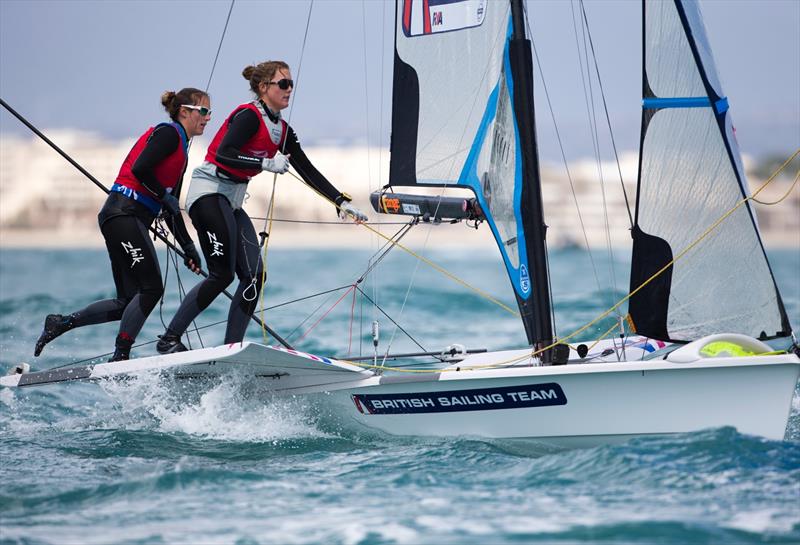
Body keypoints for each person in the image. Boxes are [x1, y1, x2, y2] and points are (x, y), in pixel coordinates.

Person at [155, 61, 368, 353]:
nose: (289, 89)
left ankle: (232, 349)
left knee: (255, 275)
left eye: (291, 84)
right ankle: (169, 339)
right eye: (283, 84)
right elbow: (225, 154)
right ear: (263, 87)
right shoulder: (248, 117)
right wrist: (264, 163)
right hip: (208, 195)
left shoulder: (281, 130)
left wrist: (340, 201)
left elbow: (306, 168)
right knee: (222, 274)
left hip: (230, 201)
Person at [34, 88, 210, 361]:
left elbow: (171, 208)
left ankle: (61, 323)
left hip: (125, 220)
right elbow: (141, 168)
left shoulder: (183, 152)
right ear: (184, 112)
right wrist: (163, 195)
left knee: (127, 302)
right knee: (151, 289)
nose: (208, 117)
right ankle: (120, 356)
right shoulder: (168, 134)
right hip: (123, 215)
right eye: (204, 111)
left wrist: (189, 248)